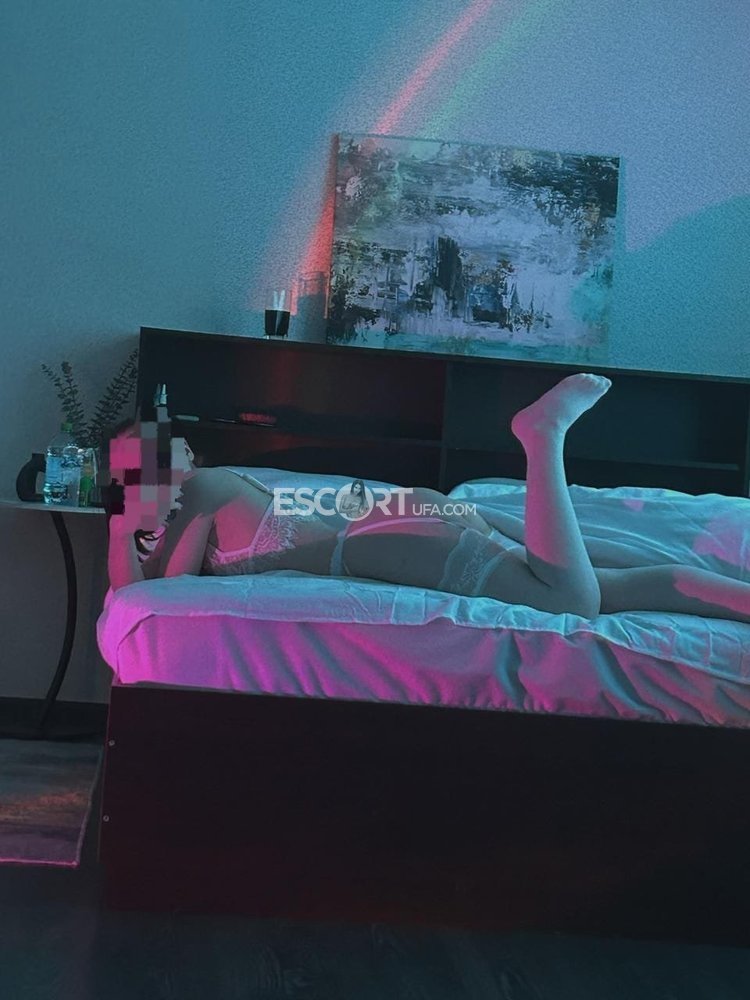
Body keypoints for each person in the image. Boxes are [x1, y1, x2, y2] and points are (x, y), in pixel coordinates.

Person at [102, 376, 750, 624]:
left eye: (151, 458)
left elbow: (154, 593)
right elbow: (140, 584)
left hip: (387, 539)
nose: (146, 475)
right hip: (400, 517)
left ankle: (543, 437)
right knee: (608, 586)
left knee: (572, 601)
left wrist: (122, 528)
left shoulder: (204, 491)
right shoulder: (212, 491)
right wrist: (124, 524)